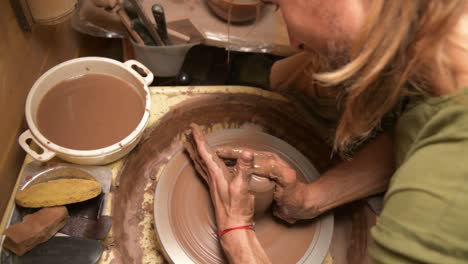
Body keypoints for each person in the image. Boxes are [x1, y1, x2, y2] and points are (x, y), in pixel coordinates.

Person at [191, 0, 468, 263]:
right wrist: (309, 199)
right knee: (286, 75)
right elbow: (409, 131)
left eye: (278, 4)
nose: (293, 41)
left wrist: (236, 236)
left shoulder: (440, 195)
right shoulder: (439, 48)